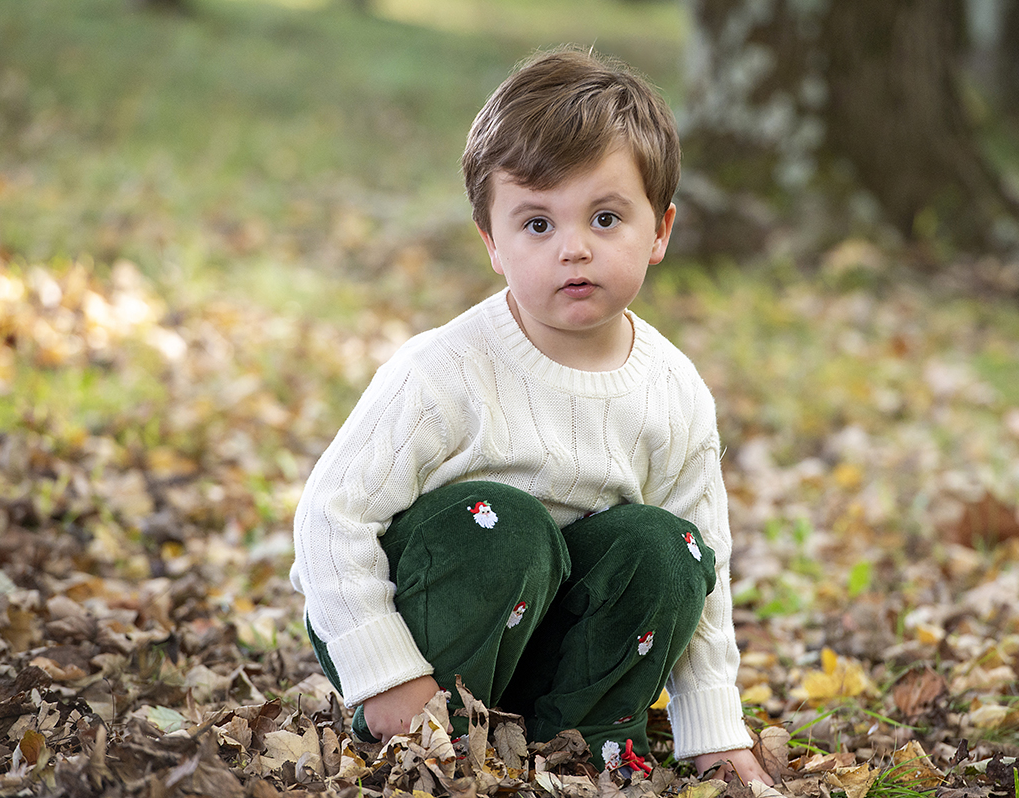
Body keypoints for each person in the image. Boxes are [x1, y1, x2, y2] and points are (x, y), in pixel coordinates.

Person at [291, 46, 769, 784]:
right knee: (505, 526)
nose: (573, 248)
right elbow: (329, 517)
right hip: (429, 630)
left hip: (556, 644)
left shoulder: (672, 390)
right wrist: (383, 670)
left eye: (606, 218)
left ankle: (578, 740)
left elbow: (706, 573)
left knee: (670, 546)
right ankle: (441, 732)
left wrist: (714, 723)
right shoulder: (443, 372)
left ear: (661, 231)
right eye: (537, 225)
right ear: (491, 241)